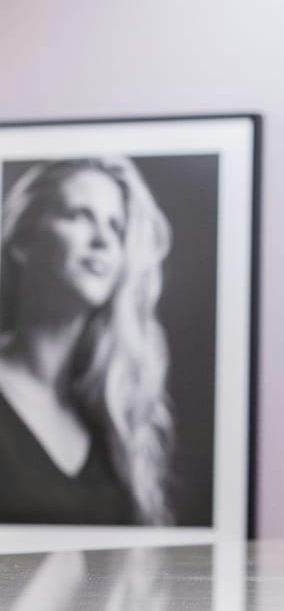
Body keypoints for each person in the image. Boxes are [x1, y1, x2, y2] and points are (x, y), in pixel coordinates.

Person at [0, 157, 174, 525]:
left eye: (116, 226)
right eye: (80, 215)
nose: (102, 240)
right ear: (23, 241)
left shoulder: (116, 412)